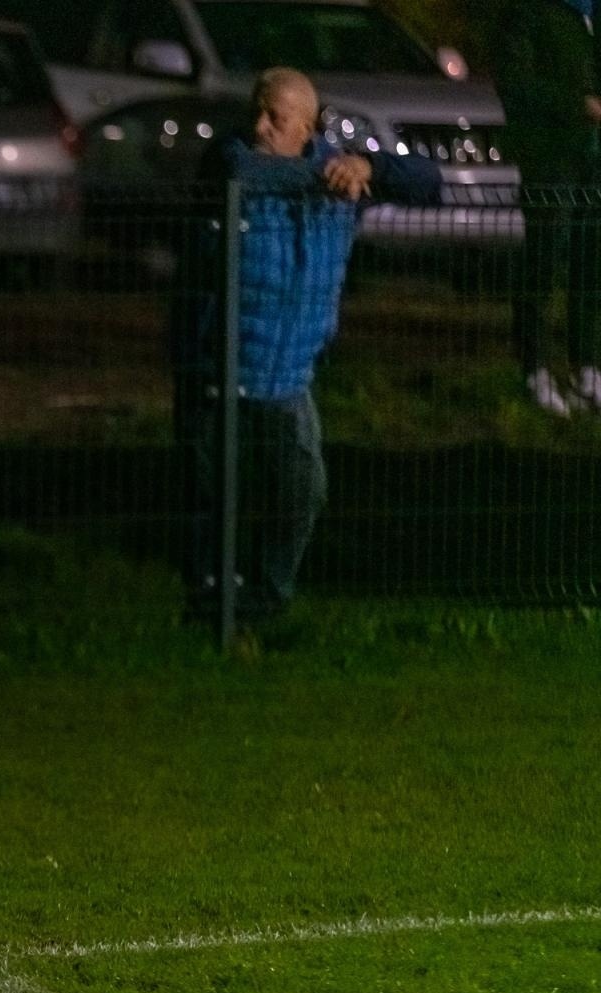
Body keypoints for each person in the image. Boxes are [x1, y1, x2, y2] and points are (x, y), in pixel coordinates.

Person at [173, 68, 440, 623]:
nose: (259, 126)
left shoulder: (343, 177)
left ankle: (264, 605)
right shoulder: (232, 161)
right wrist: (330, 174)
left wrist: (372, 167)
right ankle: (207, 608)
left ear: (309, 125)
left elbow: (428, 181)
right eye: (257, 112)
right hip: (218, 370)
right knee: (211, 501)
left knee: (302, 494)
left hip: (290, 377)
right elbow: (243, 171)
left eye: (276, 117)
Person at [497, 0, 601, 416]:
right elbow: (517, 82)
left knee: (590, 265)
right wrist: (579, 104)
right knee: (542, 261)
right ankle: (535, 367)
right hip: (551, 158)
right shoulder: (532, 12)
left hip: (592, 161)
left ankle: (587, 367)